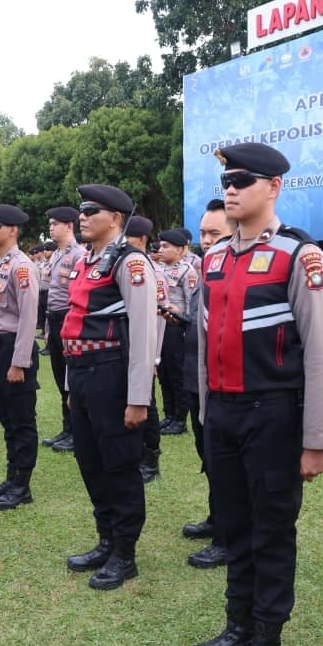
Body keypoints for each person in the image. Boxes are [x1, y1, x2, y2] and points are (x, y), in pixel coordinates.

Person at [185, 143, 323, 646]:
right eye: (227, 178)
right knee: (234, 523)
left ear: (273, 187)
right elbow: (203, 342)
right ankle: (236, 626)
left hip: (273, 413)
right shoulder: (216, 257)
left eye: (243, 179)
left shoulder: (300, 257)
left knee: (271, 530)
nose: (231, 187)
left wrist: (317, 437)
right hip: (222, 414)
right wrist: (205, 412)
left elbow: (321, 350)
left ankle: (267, 643)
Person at [61, 184, 156, 590]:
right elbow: (74, 322)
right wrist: (69, 382)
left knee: (118, 465)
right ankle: (106, 539)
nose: (81, 216)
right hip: (82, 374)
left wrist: (138, 398)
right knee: (90, 460)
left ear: (115, 219)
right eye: (81, 210)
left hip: (111, 374)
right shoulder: (87, 261)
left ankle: (125, 553)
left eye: (90, 210)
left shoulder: (130, 262)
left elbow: (144, 331)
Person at [181, 198, 234, 570]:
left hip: (225, 387)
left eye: (214, 233)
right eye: (202, 233)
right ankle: (218, 517)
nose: (206, 240)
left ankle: (228, 538)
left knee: (226, 466)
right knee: (209, 459)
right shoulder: (205, 269)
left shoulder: (236, 271)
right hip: (196, 380)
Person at [0, 204, 41, 510]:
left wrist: (19, 362)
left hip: (16, 348)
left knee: (21, 420)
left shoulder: (21, 266)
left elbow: (29, 318)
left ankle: (22, 486)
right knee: (6, 418)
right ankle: (11, 476)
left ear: (12, 230)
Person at [122, 215, 166, 483]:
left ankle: (151, 458)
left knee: (146, 405)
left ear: (141, 239)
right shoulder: (121, 265)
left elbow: (157, 319)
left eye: (127, 239)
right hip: (125, 347)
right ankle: (136, 454)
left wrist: (154, 358)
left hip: (145, 350)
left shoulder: (149, 270)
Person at [41, 207, 87, 453]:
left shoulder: (78, 254)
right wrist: (48, 327)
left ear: (69, 226)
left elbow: (76, 296)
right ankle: (67, 427)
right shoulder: (56, 255)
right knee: (61, 378)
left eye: (55, 224)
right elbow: (51, 295)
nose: (51, 228)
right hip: (55, 319)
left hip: (69, 319)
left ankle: (76, 431)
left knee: (71, 379)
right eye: (50, 224)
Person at [157, 228, 198, 436]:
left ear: (181, 249)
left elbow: (193, 305)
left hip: (176, 327)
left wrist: (181, 316)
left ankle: (181, 419)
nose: (161, 250)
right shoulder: (159, 269)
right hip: (160, 326)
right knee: (163, 372)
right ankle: (169, 414)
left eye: (166, 246)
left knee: (177, 373)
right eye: (161, 246)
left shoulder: (187, 271)